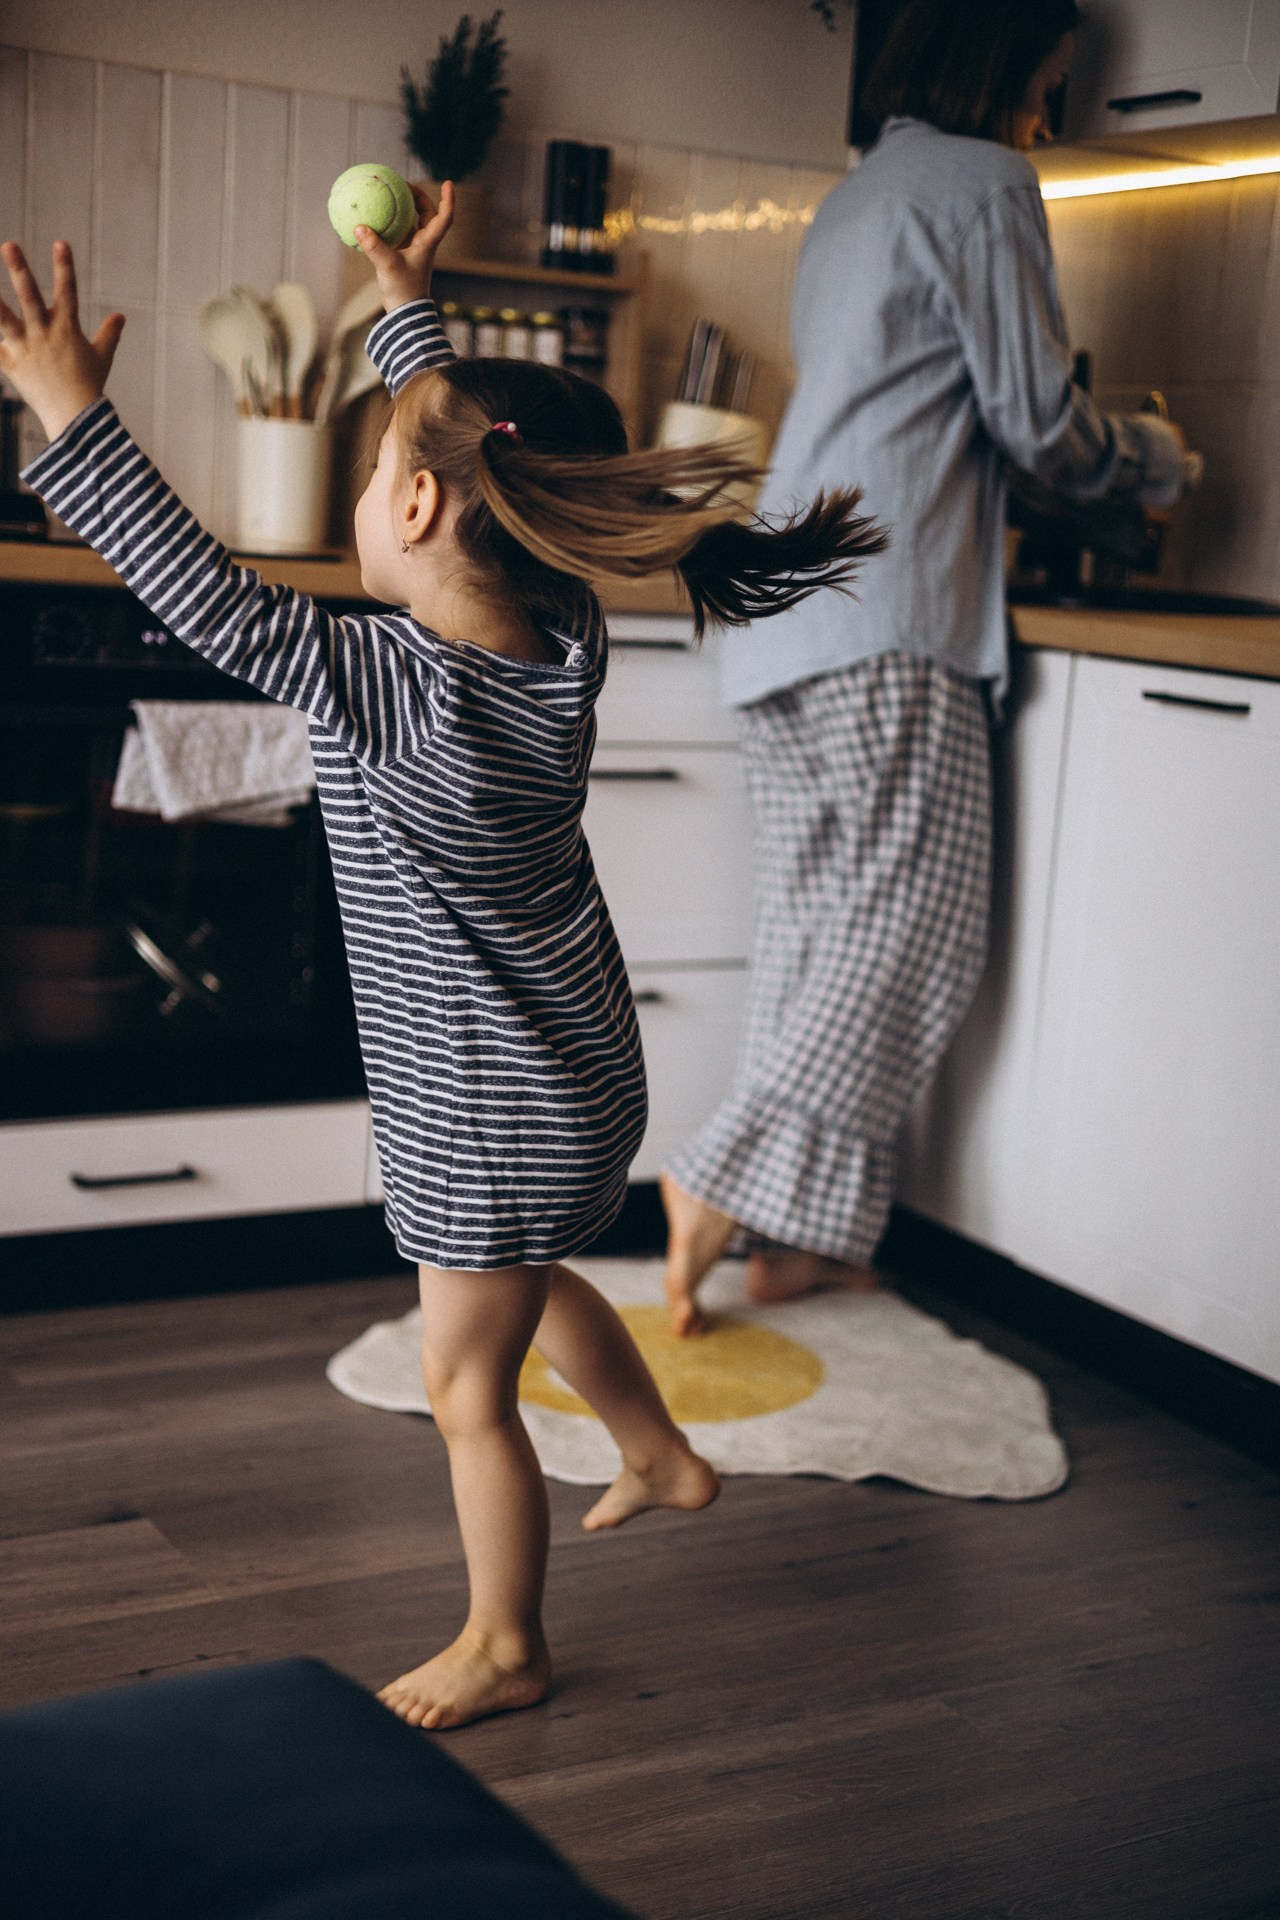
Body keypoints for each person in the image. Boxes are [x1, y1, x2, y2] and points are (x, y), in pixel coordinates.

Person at [0, 188, 884, 1731]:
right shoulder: (559, 652)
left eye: (372, 474)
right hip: (576, 1080)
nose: (364, 499)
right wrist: (406, 301)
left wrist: (73, 416)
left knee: (465, 1382)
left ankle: (504, 1641)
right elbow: (476, 449)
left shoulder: (385, 687)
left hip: (480, 1105)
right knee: (527, 1289)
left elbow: (205, 592)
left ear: (411, 512)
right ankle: (662, 1453)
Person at [660, 0, 1201, 1336]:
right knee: (914, 935)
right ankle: (722, 1179)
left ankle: (790, 1246)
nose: (1045, 115)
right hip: (885, 613)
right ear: (1006, 59)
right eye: (1047, 85)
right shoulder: (985, 181)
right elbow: (1036, 423)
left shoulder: (862, 195)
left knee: (815, 933)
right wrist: (1157, 461)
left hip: (785, 598)